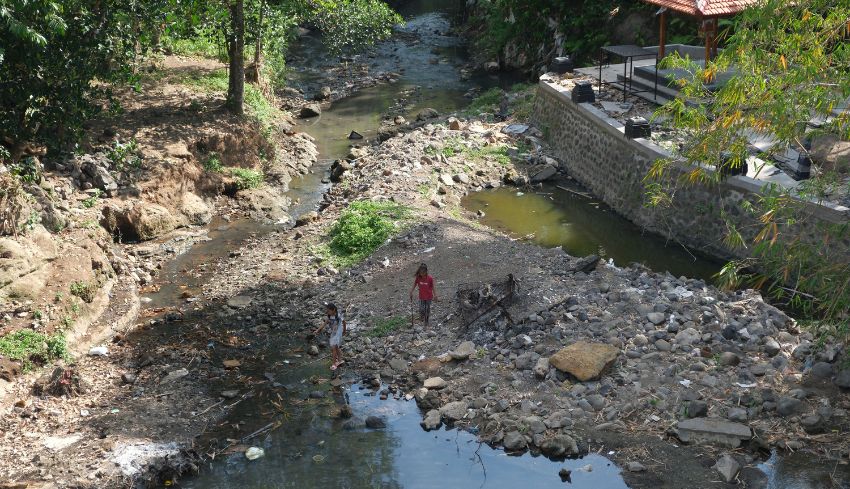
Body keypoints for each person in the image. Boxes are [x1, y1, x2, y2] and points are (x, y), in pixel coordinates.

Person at [313, 303, 346, 370]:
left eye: (329, 310)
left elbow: (344, 322)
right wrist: (318, 330)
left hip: (338, 333)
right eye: (327, 311)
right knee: (336, 348)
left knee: (333, 348)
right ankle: (340, 360)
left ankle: (334, 364)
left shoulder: (338, 315)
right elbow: (324, 324)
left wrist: (344, 331)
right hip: (333, 333)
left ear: (333, 310)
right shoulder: (329, 316)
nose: (328, 312)